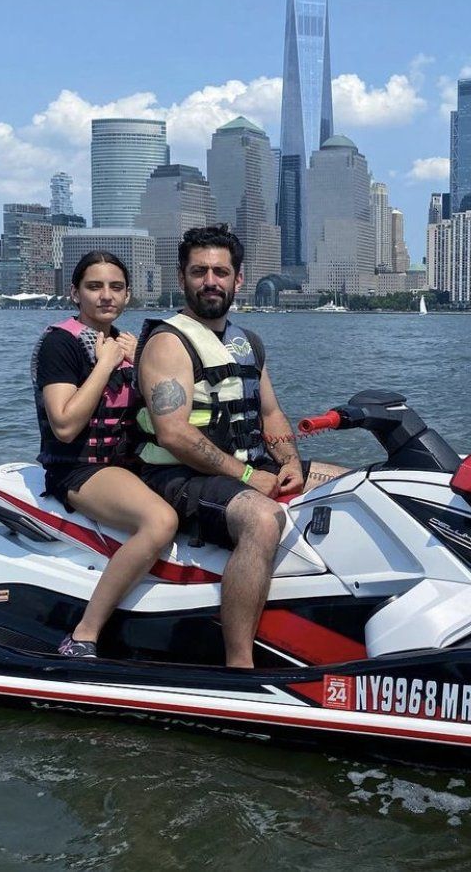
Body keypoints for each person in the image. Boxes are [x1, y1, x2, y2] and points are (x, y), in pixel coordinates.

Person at [134, 225, 346, 668]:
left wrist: (289, 462)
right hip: (178, 476)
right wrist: (249, 476)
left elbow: (270, 414)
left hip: (247, 466)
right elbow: (173, 433)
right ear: (182, 278)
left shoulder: (246, 342)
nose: (210, 281)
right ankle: (240, 664)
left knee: (354, 484)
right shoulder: (168, 343)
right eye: (199, 272)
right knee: (263, 520)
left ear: (238, 279)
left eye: (221, 272)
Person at [31, 251, 179, 658]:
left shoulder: (129, 345)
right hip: (80, 468)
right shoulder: (59, 343)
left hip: (132, 463)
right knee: (160, 521)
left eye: (116, 287)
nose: (106, 296)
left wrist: (142, 362)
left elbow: (166, 411)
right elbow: (64, 424)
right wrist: (105, 364)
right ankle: (84, 634)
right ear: (75, 293)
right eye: (94, 287)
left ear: (128, 295)